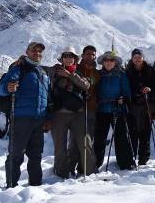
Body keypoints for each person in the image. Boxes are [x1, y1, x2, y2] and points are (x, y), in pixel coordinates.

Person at [0, 42, 50, 188]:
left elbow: (48, 97)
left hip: (39, 119)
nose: (37, 53)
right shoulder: (18, 67)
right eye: (34, 51)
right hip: (21, 118)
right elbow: (2, 88)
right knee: (16, 154)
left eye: (39, 51)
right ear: (27, 51)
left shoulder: (43, 72)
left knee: (36, 154)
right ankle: (11, 185)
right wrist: (8, 87)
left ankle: (35, 186)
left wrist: (48, 118)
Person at [49, 46, 95, 179]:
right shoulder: (54, 71)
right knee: (60, 146)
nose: (68, 59)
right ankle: (61, 174)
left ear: (75, 59)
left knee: (85, 143)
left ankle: (90, 173)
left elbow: (86, 86)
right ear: (62, 59)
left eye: (71, 56)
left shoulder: (78, 73)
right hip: (59, 114)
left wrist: (70, 76)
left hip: (78, 114)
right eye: (66, 56)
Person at [94, 51, 135, 170]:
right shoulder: (98, 75)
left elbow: (126, 91)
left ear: (115, 62)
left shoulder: (121, 74)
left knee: (121, 137)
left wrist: (124, 99)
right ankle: (95, 163)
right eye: (106, 60)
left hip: (118, 109)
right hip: (101, 110)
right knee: (99, 138)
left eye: (111, 60)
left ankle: (125, 163)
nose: (108, 62)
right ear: (102, 62)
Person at [68, 45, 100, 176]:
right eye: (87, 54)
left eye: (92, 54)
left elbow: (98, 90)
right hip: (77, 109)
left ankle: (84, 168)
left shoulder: (97, 73)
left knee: (88, 139)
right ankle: (69, 167)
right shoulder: (76, 69)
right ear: (82, 55)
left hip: (91, 109)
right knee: (75, 140)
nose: (90, 56)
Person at [125, 48, 154, 166]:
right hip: (133, 106)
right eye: (135, 57)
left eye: (139, 57)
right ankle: (132, 157)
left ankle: (144, 158)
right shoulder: (127, 72)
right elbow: (126, 88)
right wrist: (136, 92)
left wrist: (150, 90)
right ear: (132, 59)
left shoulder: (150, 70)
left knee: (146, 133)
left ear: (143, 58)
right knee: (133, 132)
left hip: (147, 105)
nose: (137, 59)